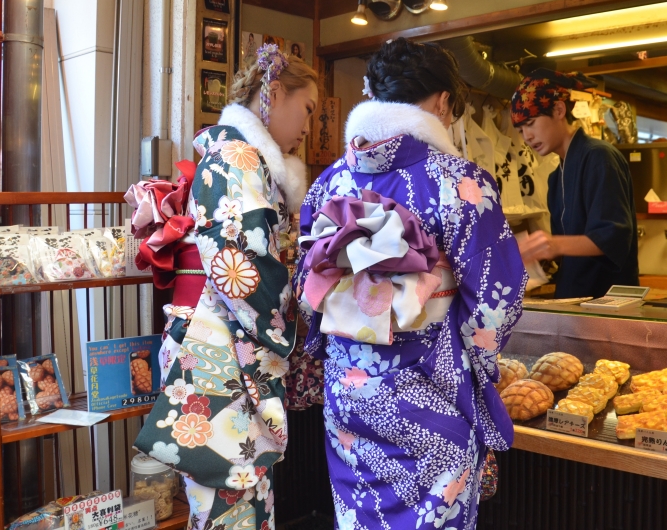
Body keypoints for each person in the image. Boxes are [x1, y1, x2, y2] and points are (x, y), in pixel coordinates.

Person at [293, 38, 526, 529]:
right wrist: (475, 368)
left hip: (349, 390)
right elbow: (495, 300)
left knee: (361, 518)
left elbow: (308, 288)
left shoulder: (329, 183)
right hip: (428, 390)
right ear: (442, 102)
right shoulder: (461, 184)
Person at [131, 44, 318, 530]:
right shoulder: (237, 158)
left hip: (215, 337)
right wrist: (298, 308)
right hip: (217, 345)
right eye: (308, 109)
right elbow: (240, 267)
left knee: (235, 502)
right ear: (272, 93)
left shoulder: (239, 157)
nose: (308, 126)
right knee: (230, 502)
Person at [511, 69, 638, 299]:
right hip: (574, 300)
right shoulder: (555, 176)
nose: (526, 137)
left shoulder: (600, 157)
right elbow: (568, 248)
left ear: (559, 110)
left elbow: (613, 237)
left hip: (607, 302)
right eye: (520, 130)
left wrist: (552, 244)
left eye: (530, 123)